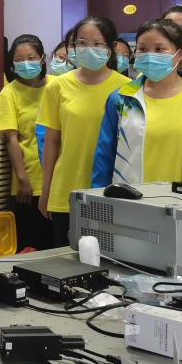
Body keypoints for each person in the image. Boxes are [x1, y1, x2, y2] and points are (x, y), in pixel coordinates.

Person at [37, 16, 130, 246]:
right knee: (67, 258)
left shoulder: (126, 88)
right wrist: (46, 190)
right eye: (81, 43)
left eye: (97, 44)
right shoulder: (56, 86)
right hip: (66, 189)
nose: (89, 48)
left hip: (110, 190)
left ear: (110, 48)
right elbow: (51, 142)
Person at [92, 19, 182, 187]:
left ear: (181, 53)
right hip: (131, 197)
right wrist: (99, 196)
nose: (150, 55)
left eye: (159, 49)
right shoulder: (120, 99)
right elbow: (104, 156)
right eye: (142, 49)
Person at [0, 34, 54, 251]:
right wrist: (22, 178)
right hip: (29, 181)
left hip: (58, 178)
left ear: (42, 58)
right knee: (31, 245)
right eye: (19, 60)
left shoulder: (57, 85)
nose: (26, 63)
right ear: (12, 64)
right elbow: (11, 138)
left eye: (31, 57)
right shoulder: (9, 92)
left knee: (57, 244)